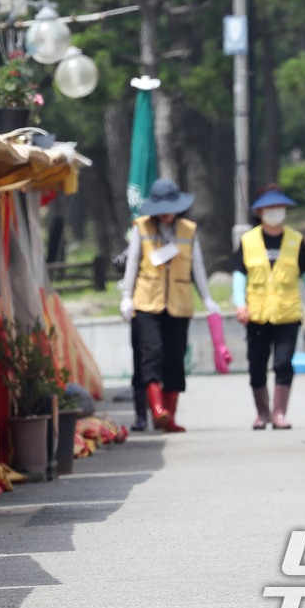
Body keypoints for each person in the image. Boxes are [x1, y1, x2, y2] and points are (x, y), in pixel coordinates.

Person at [118, 179, 230, 432]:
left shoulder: (189, 230)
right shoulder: (142, 228)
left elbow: (198, 266)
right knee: (152, 354)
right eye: (162, 207)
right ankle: (157, 410)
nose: (167, 212)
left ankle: (171, 417)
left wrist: (207, 298)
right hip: (147, 302)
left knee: (175, 358)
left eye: (172, 207)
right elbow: (133, 263)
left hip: (179, 303)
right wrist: (127, 296)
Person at [231, 185, 305, 430]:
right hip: (257, 315)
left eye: (280, 207)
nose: (276, 211)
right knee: (257, 364)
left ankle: (279, 413)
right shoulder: (248, 241)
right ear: (259, 211)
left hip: (287, 314)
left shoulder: (297, 241)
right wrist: (240, 304)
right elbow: (239, 276)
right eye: (271, 207)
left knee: (283, 363)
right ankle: (262, 413)